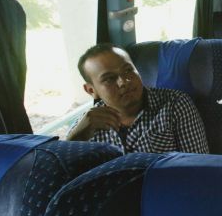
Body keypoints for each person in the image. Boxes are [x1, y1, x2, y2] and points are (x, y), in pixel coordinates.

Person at [66, 44, 208, 154]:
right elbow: (66, 177)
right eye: (109, 79)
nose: (124, 81)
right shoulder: (87, 125)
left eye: (128, 70)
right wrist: (75, 138)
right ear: (91, 90)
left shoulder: (174, 104)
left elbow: (198, 167)